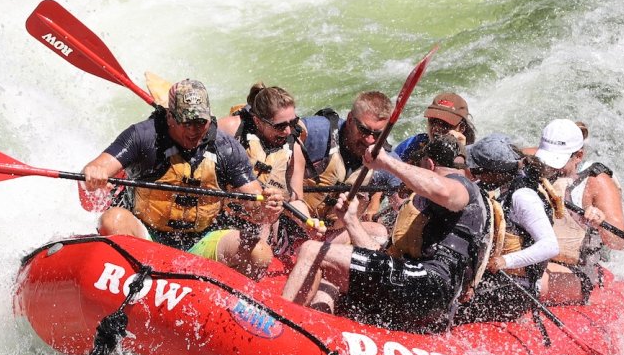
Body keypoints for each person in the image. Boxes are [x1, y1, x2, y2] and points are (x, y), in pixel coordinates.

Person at [282, 134, 489, 332]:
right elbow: (387, 260)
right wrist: (351, 221)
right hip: (414, 284)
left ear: (429, 164)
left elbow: (444, 191)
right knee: (332, 270)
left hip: (429, 286)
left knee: (312, 251)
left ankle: (280, 328)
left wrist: (386, 162)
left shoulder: (463, 186)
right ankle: (314, 333)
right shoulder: (442, 210)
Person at [81, 78, 285, 278]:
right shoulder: (143, 136)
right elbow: (97, 166)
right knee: (112, 220)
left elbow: (257, 206)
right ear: (170, 117)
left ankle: (224, 302)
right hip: (146, 237)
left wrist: (269, 207)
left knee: (260, 253)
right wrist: (94, 174)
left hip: (201, 241)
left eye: (200, 122)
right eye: (186, 122)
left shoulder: (226, 148)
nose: (194, 130)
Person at [455, 135, 561, 322]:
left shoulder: (522, 197)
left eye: (478, 170)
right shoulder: (494, 185)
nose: (474, 174)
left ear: (495, 173)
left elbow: (550, 246)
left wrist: (505, 261)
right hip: (489, 279)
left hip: (513, 286)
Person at [529, 119, 624, 304]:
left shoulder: (597, 182)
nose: (551, 167)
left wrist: (601, 222)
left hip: (577, 272)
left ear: (578, 156)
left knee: (530, 282)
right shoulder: (533, 160)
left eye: (558, 160)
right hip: (533, 259)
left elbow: (619, 242)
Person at [217, 83, 319, 258]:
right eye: (280, 126)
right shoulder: (231, 129)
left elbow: (296, 199)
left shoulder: (294, 148)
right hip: (225, 218)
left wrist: (307, 222)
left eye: (292, 123)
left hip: (264, 223)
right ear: (258, 121)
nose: (288, 131)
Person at [299, 91, 393, 243]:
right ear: (350, 119)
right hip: (295, 219)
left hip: (333, 235)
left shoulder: (388, 159)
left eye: (377, 134)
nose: (369, 140)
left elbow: (404, 201)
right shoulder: (317, 131)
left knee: (380, 233)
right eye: (364, 130)